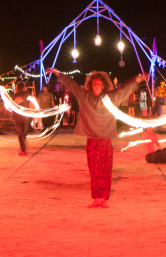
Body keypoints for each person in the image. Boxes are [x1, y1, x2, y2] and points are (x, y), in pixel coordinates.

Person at [51, 68, 147, 208]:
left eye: (99, 84)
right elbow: (72, 85)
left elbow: (125, 89)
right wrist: (58, 74)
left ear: (103, 86)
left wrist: (138, 79)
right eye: (94, 83)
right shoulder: (85, 97)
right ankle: (96, 198)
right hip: (92, 140)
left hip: (106, 141)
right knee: (94, 171)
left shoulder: (111, 98)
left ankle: (103, 199)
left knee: (106, 171)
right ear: (91, 85)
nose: (96, 86)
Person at [11, 91, 31, 156]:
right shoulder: (27, 95)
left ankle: (23, 149)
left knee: (20, 133)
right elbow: (30, 104)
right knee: (23, 133)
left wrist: (12, 116)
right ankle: (23, 147)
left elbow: (12, 106)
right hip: (25, 117)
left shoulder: (15, 95)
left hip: (18, 117)